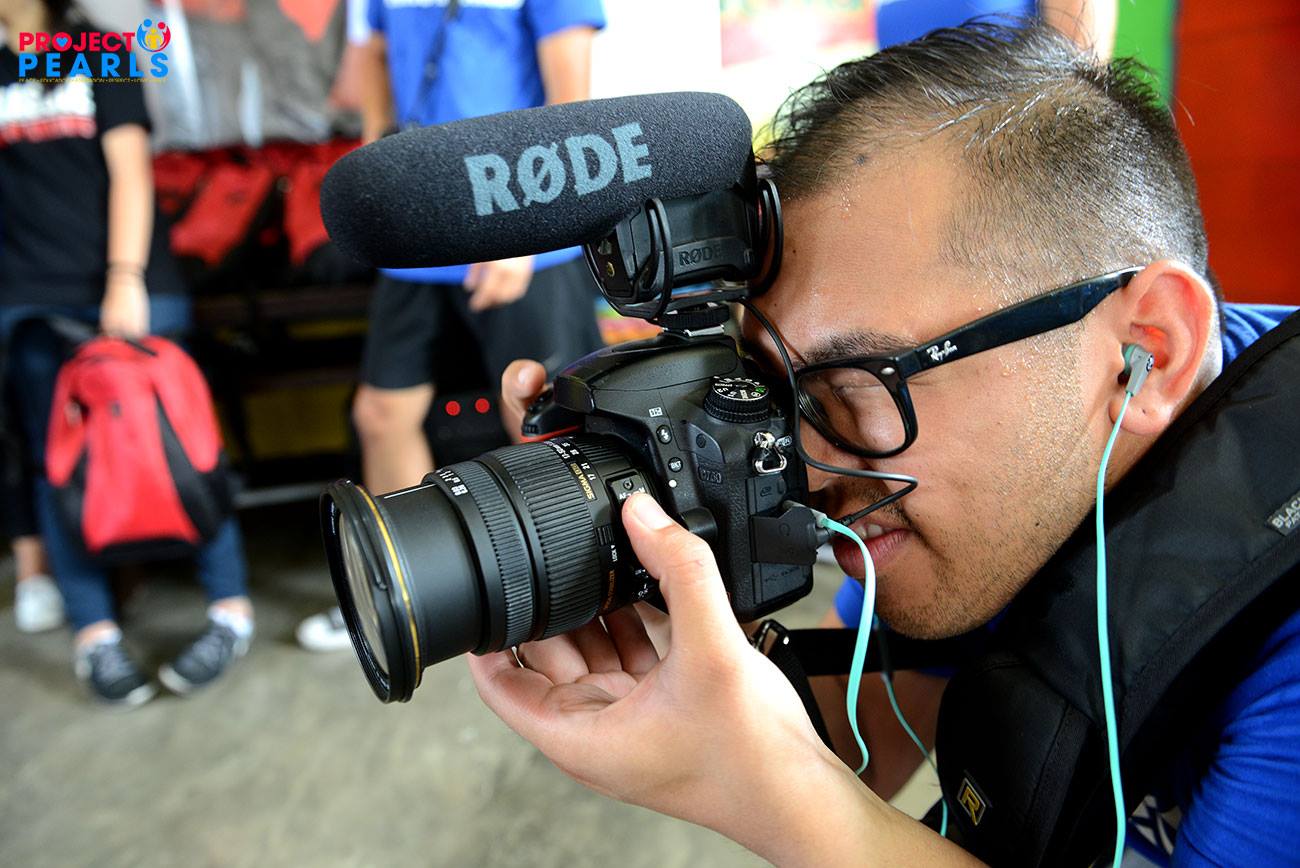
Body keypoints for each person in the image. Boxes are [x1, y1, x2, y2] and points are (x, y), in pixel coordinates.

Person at [468, 24, 1299, 866]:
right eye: (771, 392)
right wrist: (681, 634)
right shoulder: (994, 493)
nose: (805, 467)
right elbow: (867, 744)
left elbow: (818, 802)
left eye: (859, 384)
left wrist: (774, 794)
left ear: (1147, 351)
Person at [297, 0, 607, 652]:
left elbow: (573, 105)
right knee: (382, 413)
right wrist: (376, 159)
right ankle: (412, 597)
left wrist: (533, 229)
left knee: (546, 424)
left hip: (522, 227)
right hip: (418, 226)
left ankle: (576, 606)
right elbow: (373, 53)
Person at [0, 0, 254, 706]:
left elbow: (131, 172)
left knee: (179, 446)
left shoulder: (97, 50)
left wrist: (124, 276)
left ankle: (229, 609)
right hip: (30, 298)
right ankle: (95, 635)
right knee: (59, 465)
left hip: (127, 285)